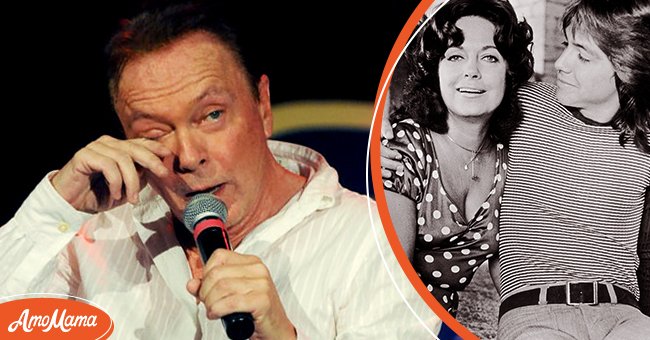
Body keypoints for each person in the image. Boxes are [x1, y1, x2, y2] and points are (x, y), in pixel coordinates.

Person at [0, 4, 440, 339]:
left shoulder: (380, 242)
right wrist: (54, 208)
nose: (187, 156)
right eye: (155, 132)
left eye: (211, 116)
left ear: (262, 106)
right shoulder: (92, 237)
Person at [496, 0, 650, 338]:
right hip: (534, 311)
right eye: (567, 45)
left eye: (583, 55)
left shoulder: (645, 138)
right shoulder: (523, 104)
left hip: (624, 314)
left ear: (629, 66)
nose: (561, 63)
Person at [381, 0, 533, 316]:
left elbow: (510, 273)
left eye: (489, 57)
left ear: (509, 71)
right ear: (435, 69)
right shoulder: (402, 148)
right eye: (455, 56)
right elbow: (392, 283)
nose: (471, 71)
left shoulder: (512, 159)